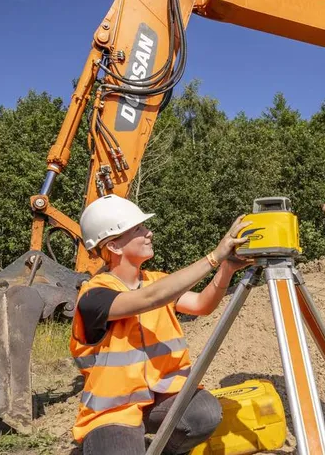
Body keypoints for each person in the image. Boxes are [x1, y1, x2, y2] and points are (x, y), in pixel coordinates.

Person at [69, 194, 252, 455]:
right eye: (138, 229)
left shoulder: (157, 281)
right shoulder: (94, 297)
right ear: (114, 246)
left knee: (204, 414)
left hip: (160, 397)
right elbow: (149, 299)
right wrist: (213, 257)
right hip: (113, 411)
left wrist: (227, 268)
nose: (149, 232)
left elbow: (201, 304)